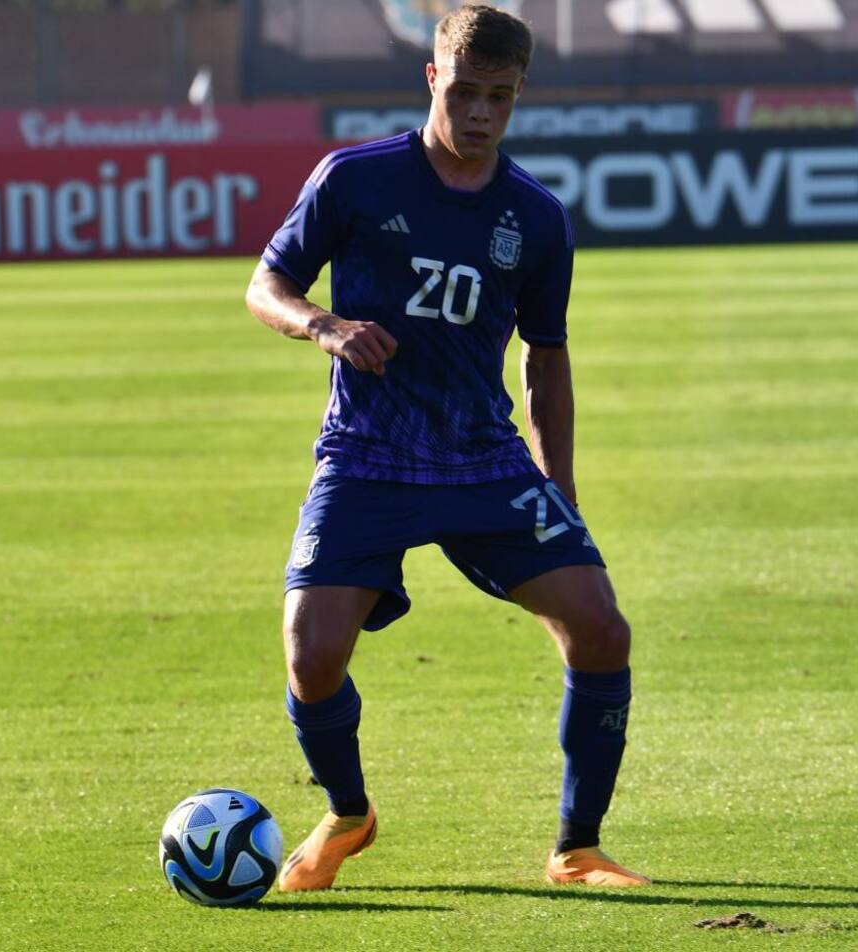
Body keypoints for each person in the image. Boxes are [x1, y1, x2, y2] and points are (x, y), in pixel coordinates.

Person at [244, 2, 649, 892]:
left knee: (601, 627)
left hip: (482, 461)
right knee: (311, 654)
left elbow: (546, 359)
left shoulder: (536, 219)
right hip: (368, 455)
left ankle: (577, 848)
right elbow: (266, 282)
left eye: (498, 98)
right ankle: (350, 814)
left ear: (517, 97)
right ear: (433, 80)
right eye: (463, 91)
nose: (478, 113)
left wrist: (562, 489)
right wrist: (323, 325)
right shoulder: (355, 179)